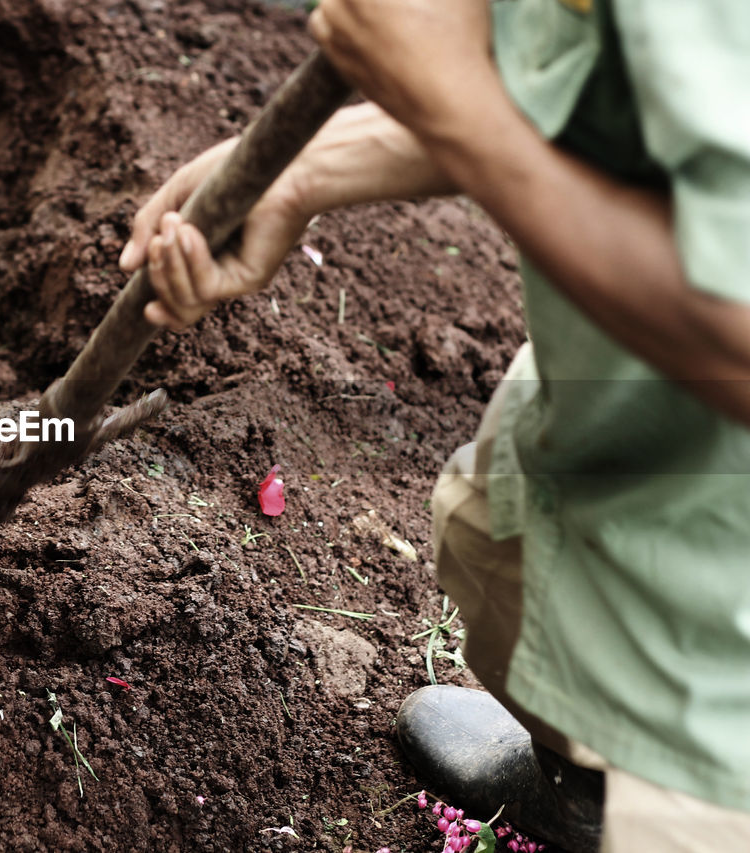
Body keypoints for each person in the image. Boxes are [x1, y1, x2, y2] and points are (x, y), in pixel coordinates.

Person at [118, 1, 750, 850]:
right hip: (635, 404)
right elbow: (611, 93)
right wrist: (309, 163)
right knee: (503, 543)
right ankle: (587, 786)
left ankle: (641, 795)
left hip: (723, 653)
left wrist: (457, 109)